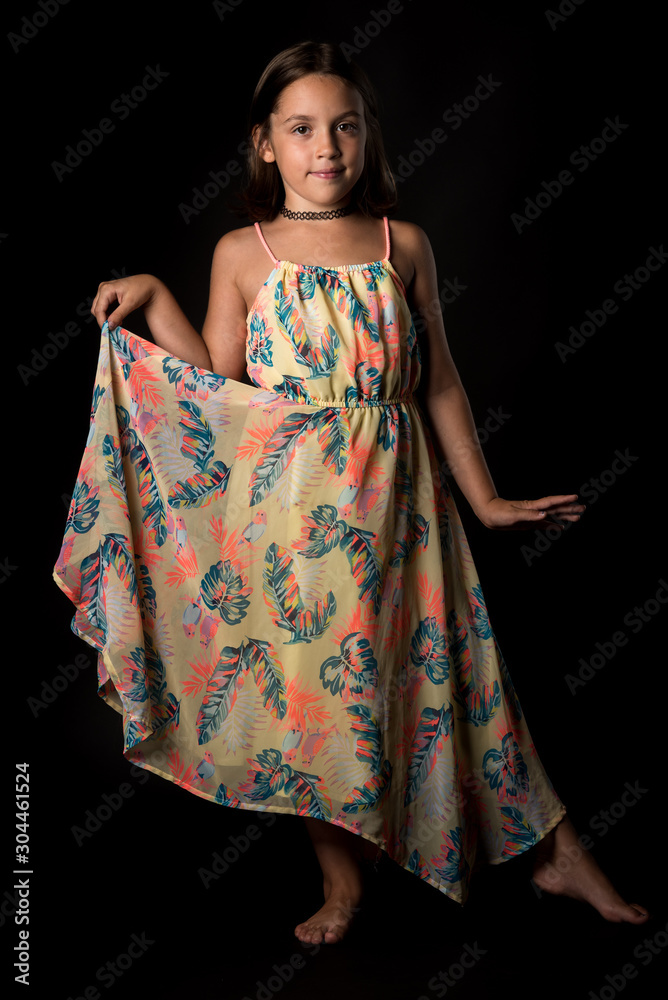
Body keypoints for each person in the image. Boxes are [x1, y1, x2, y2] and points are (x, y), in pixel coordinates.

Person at [56, 41, 648, 947]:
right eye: (301, 129)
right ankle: (343, 882)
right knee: (312, 709)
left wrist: (484, 501)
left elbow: (438, 379)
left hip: (405, 513)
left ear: (368, 137)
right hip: (292, 523)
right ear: (265, 144)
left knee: (459, 677)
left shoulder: (399, 243)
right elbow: (217, 384)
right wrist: (155, 297)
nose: (325, 146)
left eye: (344, 126)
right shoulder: (241, 254)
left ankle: (557, 854)